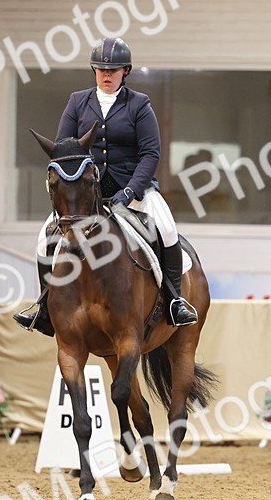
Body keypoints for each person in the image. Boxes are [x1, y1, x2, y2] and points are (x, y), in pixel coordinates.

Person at [15, 37, 198, 336]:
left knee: (166, 227)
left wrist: (131, 191)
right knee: (45, 234)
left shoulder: (139, 104)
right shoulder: (78, 101)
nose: (107, 75)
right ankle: (44, 305)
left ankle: (175, 300)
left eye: (113, 70)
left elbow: (151, 153)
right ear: (94, 71)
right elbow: (64, 148)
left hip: (131, 187)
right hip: (88, 192)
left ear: (125, 71)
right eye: (101, 69)